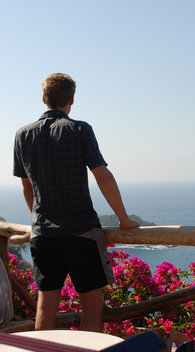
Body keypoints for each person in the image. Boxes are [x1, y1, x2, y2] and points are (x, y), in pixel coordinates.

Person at [13, 73, 139, 332]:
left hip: (43, 234)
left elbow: (26, 185)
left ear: (44, 99)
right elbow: (102, 174)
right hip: (82, 231)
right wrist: (123, 219)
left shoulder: (22, 135)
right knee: (92, 309)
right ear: (72, 99)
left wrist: (37, 219)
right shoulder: (80, 129)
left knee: (45, 307)